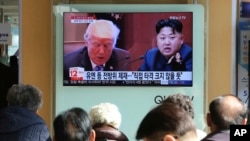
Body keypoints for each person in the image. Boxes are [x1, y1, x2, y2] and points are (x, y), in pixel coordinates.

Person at [64, 19, 130, 80]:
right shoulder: (70, 64)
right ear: (86, 42)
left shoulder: (123, 59)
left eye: (107, 45)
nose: (101, 51)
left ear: (113, 45)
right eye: (97, 45)